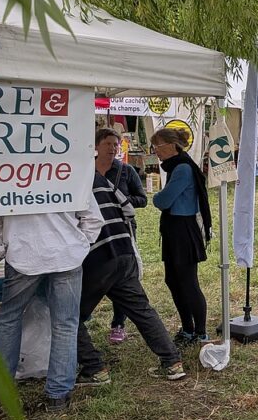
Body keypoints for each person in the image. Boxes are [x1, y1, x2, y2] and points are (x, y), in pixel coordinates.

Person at [0, 201, 104, 412]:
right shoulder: (72, 177)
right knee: (65, 324)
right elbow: (92, 216)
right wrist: (77, 242)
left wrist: (1, 249)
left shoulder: (5, 179)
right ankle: (59, 396)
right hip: (65, 254)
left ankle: (0, 388)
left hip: (24, 253)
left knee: (10, 319)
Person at [76, 170, 186, 384]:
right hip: (123, 249)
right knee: (142, 310)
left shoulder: (65, 180)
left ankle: (94, 368)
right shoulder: (99, 177)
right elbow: (128, 209)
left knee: (68, 316)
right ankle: (172, 361)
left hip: (97, 257)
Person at [151, 127, 212, 347]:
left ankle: (200, 332)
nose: (155, 151)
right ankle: (187, 328)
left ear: (171, 145)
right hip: (174, 228)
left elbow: (163, 200)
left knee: (187, 282)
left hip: (183, 229)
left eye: (157, 146)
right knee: (173, 280)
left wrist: (156, 197)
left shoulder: (183, 168)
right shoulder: (176, 166)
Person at [94, 128, 147, 345]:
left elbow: (142, 199)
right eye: (108, 144)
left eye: (115, 144)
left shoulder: (126, 171)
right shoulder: (86, 169)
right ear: (96, 146)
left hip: (122, 229)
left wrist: (120, 200)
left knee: (121, 277)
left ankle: (118, 324)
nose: (113, 148)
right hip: (92, 229)